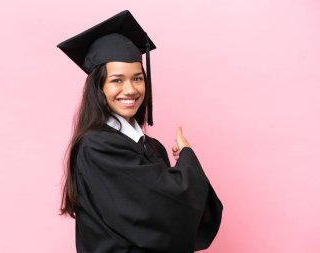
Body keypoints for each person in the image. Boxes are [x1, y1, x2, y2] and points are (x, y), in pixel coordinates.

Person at [57, 10, 223, 253]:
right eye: (116, 80)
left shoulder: (151, 146)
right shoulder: (98, 147)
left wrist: (181, 165)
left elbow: (171, 224)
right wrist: (187, 157)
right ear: (99, 87)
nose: (130, 89)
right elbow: (165, 209)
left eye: (137, 78)